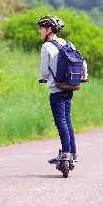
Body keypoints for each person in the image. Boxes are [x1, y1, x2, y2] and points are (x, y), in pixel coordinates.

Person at [37, 15, 88, 164]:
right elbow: (82, 62)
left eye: (41, 28)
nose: (40, 31)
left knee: (60, 122)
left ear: (49, 29)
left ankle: (65, 153)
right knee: (67, 120)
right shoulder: (68, 43)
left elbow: (45, 72)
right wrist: (83, 77)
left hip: (56, 90)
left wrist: (44, 77)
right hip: (70, 87)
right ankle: (73, 152)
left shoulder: (47, 46)